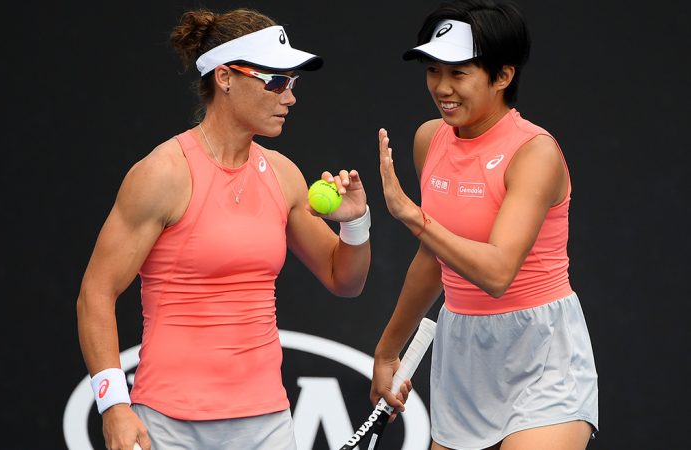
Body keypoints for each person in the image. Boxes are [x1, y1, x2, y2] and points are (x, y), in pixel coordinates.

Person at [76, 7, 372, 450]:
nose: (289, 97)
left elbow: (343, 280)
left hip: (268, 423)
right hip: (169, 426)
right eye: (275, 81)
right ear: (225, 77)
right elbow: (95, 293)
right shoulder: (163, 174)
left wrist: (355, 224)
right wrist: (115, 404)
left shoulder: (283, 174)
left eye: (293, 82)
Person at [370, 1, 599, 449]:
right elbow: (435, 260)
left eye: (458, 73)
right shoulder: (428, 139)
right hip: (464, 351)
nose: (441, 87)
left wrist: (415, 218)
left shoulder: (535, 153)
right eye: (433, 71)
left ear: (503, 76)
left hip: (543, 353)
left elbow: (497, 274)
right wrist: (387, 350)